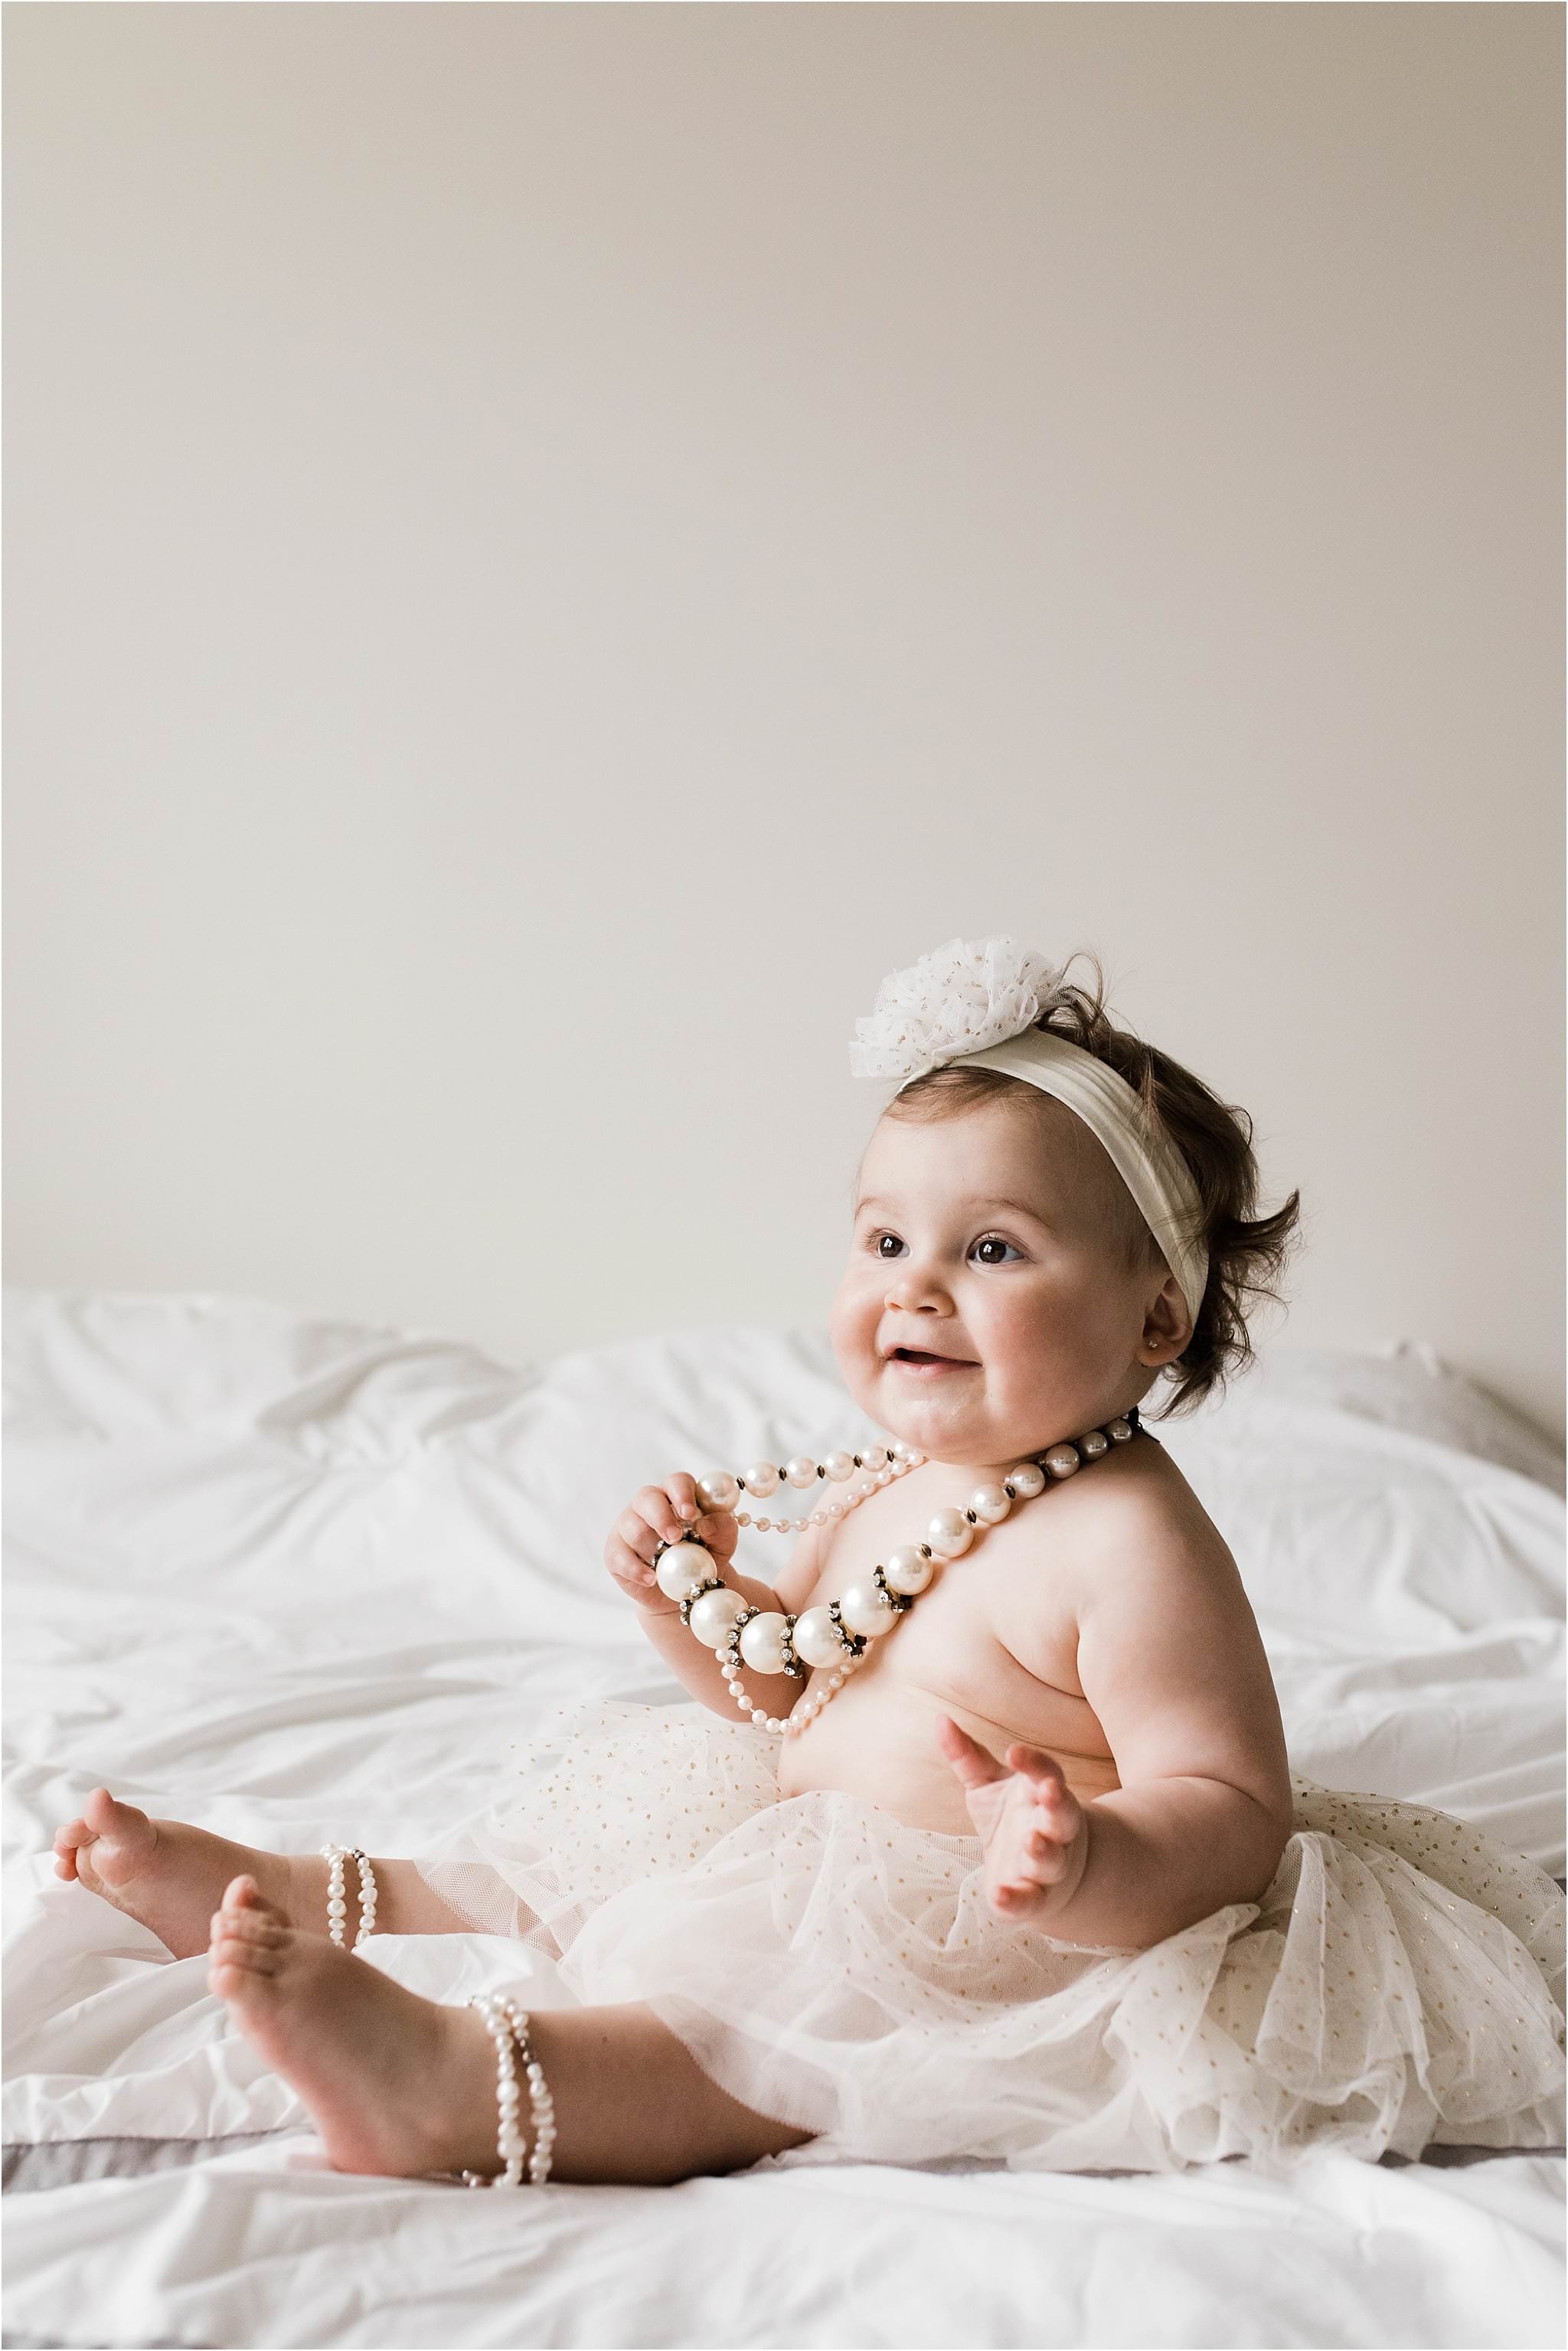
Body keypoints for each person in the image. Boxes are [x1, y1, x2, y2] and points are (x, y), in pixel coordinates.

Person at [51, 937, 1566, 2188]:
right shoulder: (900, 1476)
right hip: (799, 1835)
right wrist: (690, 1604)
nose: (914, 1287)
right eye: (882, 1240)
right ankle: (305, 1886)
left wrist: (1085, 1855)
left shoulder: (1130, 1540)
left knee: (766, 2034)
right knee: (560, 1849)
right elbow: (785, 1689)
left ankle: (463, 2089)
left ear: (1155, 1317)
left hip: (992, 1935)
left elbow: (1232, 1811)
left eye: (991, 1249)